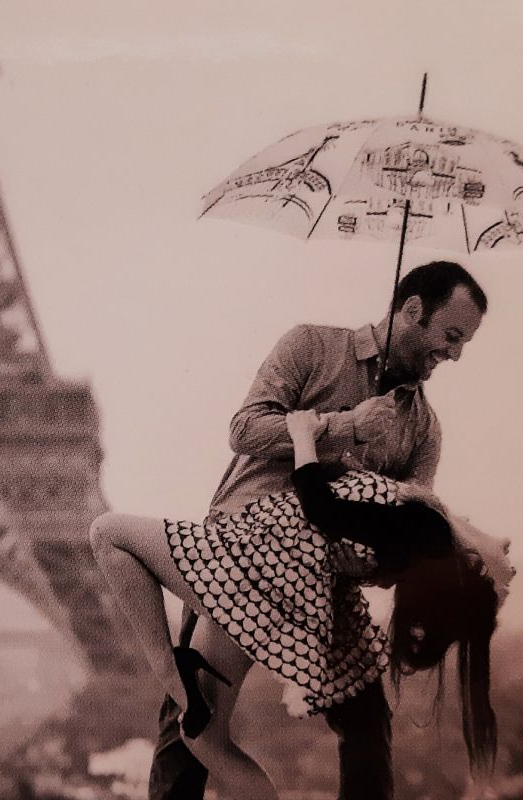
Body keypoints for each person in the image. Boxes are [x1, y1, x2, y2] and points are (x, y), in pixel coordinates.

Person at [148, 260, 488, 800]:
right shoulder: (309, 346)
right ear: (413, 310)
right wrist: (345, 426)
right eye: (451, 336)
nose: (455, 354)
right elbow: (243, 429)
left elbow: (405, 544)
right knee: (195, 718)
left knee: (368, 724)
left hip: (329, 590)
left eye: (464, 343)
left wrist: (376, 567)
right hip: (245, 559)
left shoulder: (424, 430)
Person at [89, 407, 511, 800]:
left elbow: (319, 504)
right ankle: (178, 677)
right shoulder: (419, 541)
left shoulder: (426, 524)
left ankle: (168, 670)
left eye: (501, 566)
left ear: (470, 564)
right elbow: (368, 545)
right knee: (202, 736)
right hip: (286, 593)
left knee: (107, 533)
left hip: (255, 562)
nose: (506, 549)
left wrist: (302, 434)